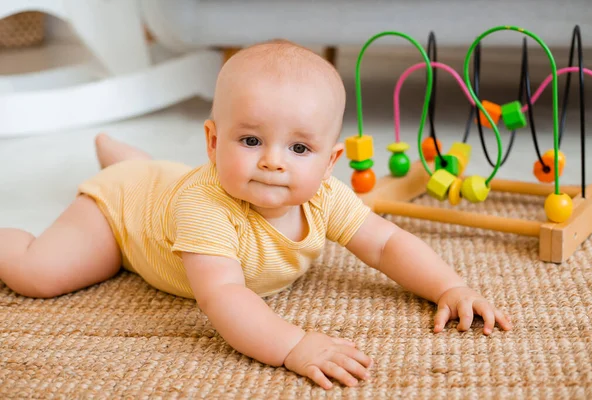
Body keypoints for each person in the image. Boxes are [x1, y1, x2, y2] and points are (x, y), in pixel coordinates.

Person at [0, 40, 512, 390]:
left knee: (160, 176)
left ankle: (132, 159)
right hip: (122, 214)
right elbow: (222, 295)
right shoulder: (207, 206)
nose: (272, 160)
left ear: (331, 161)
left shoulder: (323, 196)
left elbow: (385, 244)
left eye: (299, 147)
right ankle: (124, 169)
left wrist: (449, 287)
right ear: (214, 141)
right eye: (250, 140)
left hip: (164, 183)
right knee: (39, 273)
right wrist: (292, 344)